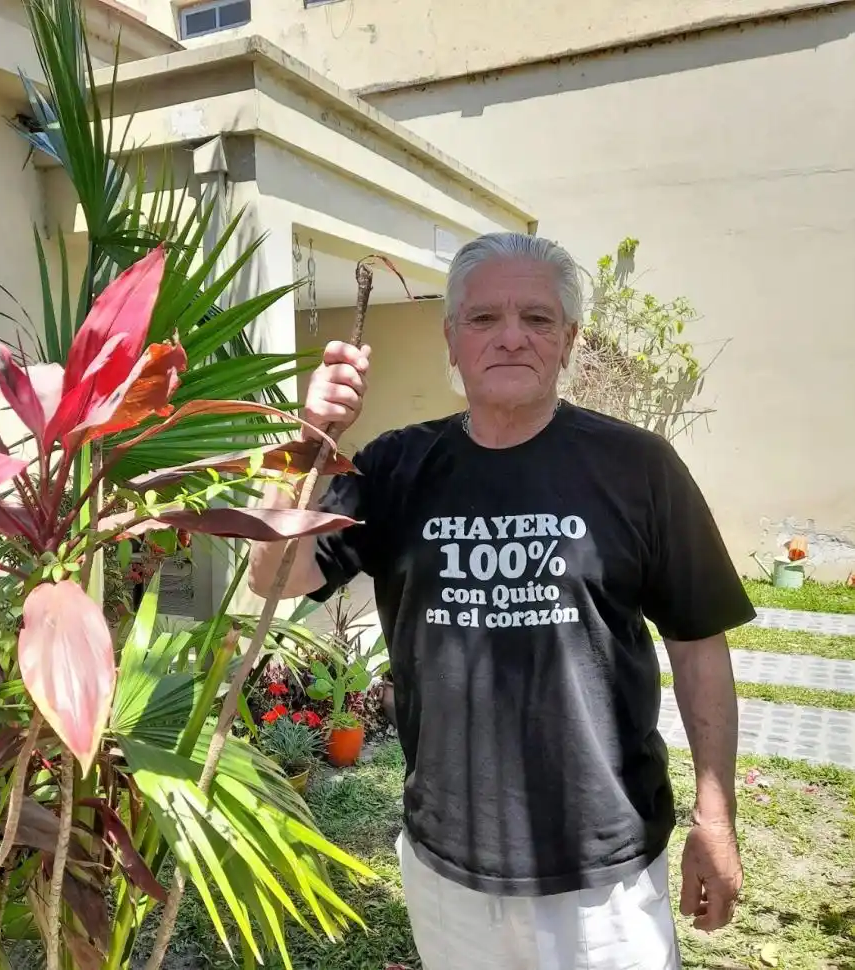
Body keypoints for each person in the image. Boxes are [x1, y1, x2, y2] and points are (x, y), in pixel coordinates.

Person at [248, 232, 754, 970]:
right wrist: (305, 439)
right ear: (451, 339)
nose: (511, 337)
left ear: (569, 339)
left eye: (538, 318)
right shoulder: (394, 465)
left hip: (604, 875)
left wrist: (717, 815)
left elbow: (699, 641)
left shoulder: (638, 466)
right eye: (483, 319)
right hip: (449, 865)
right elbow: (272, 576)